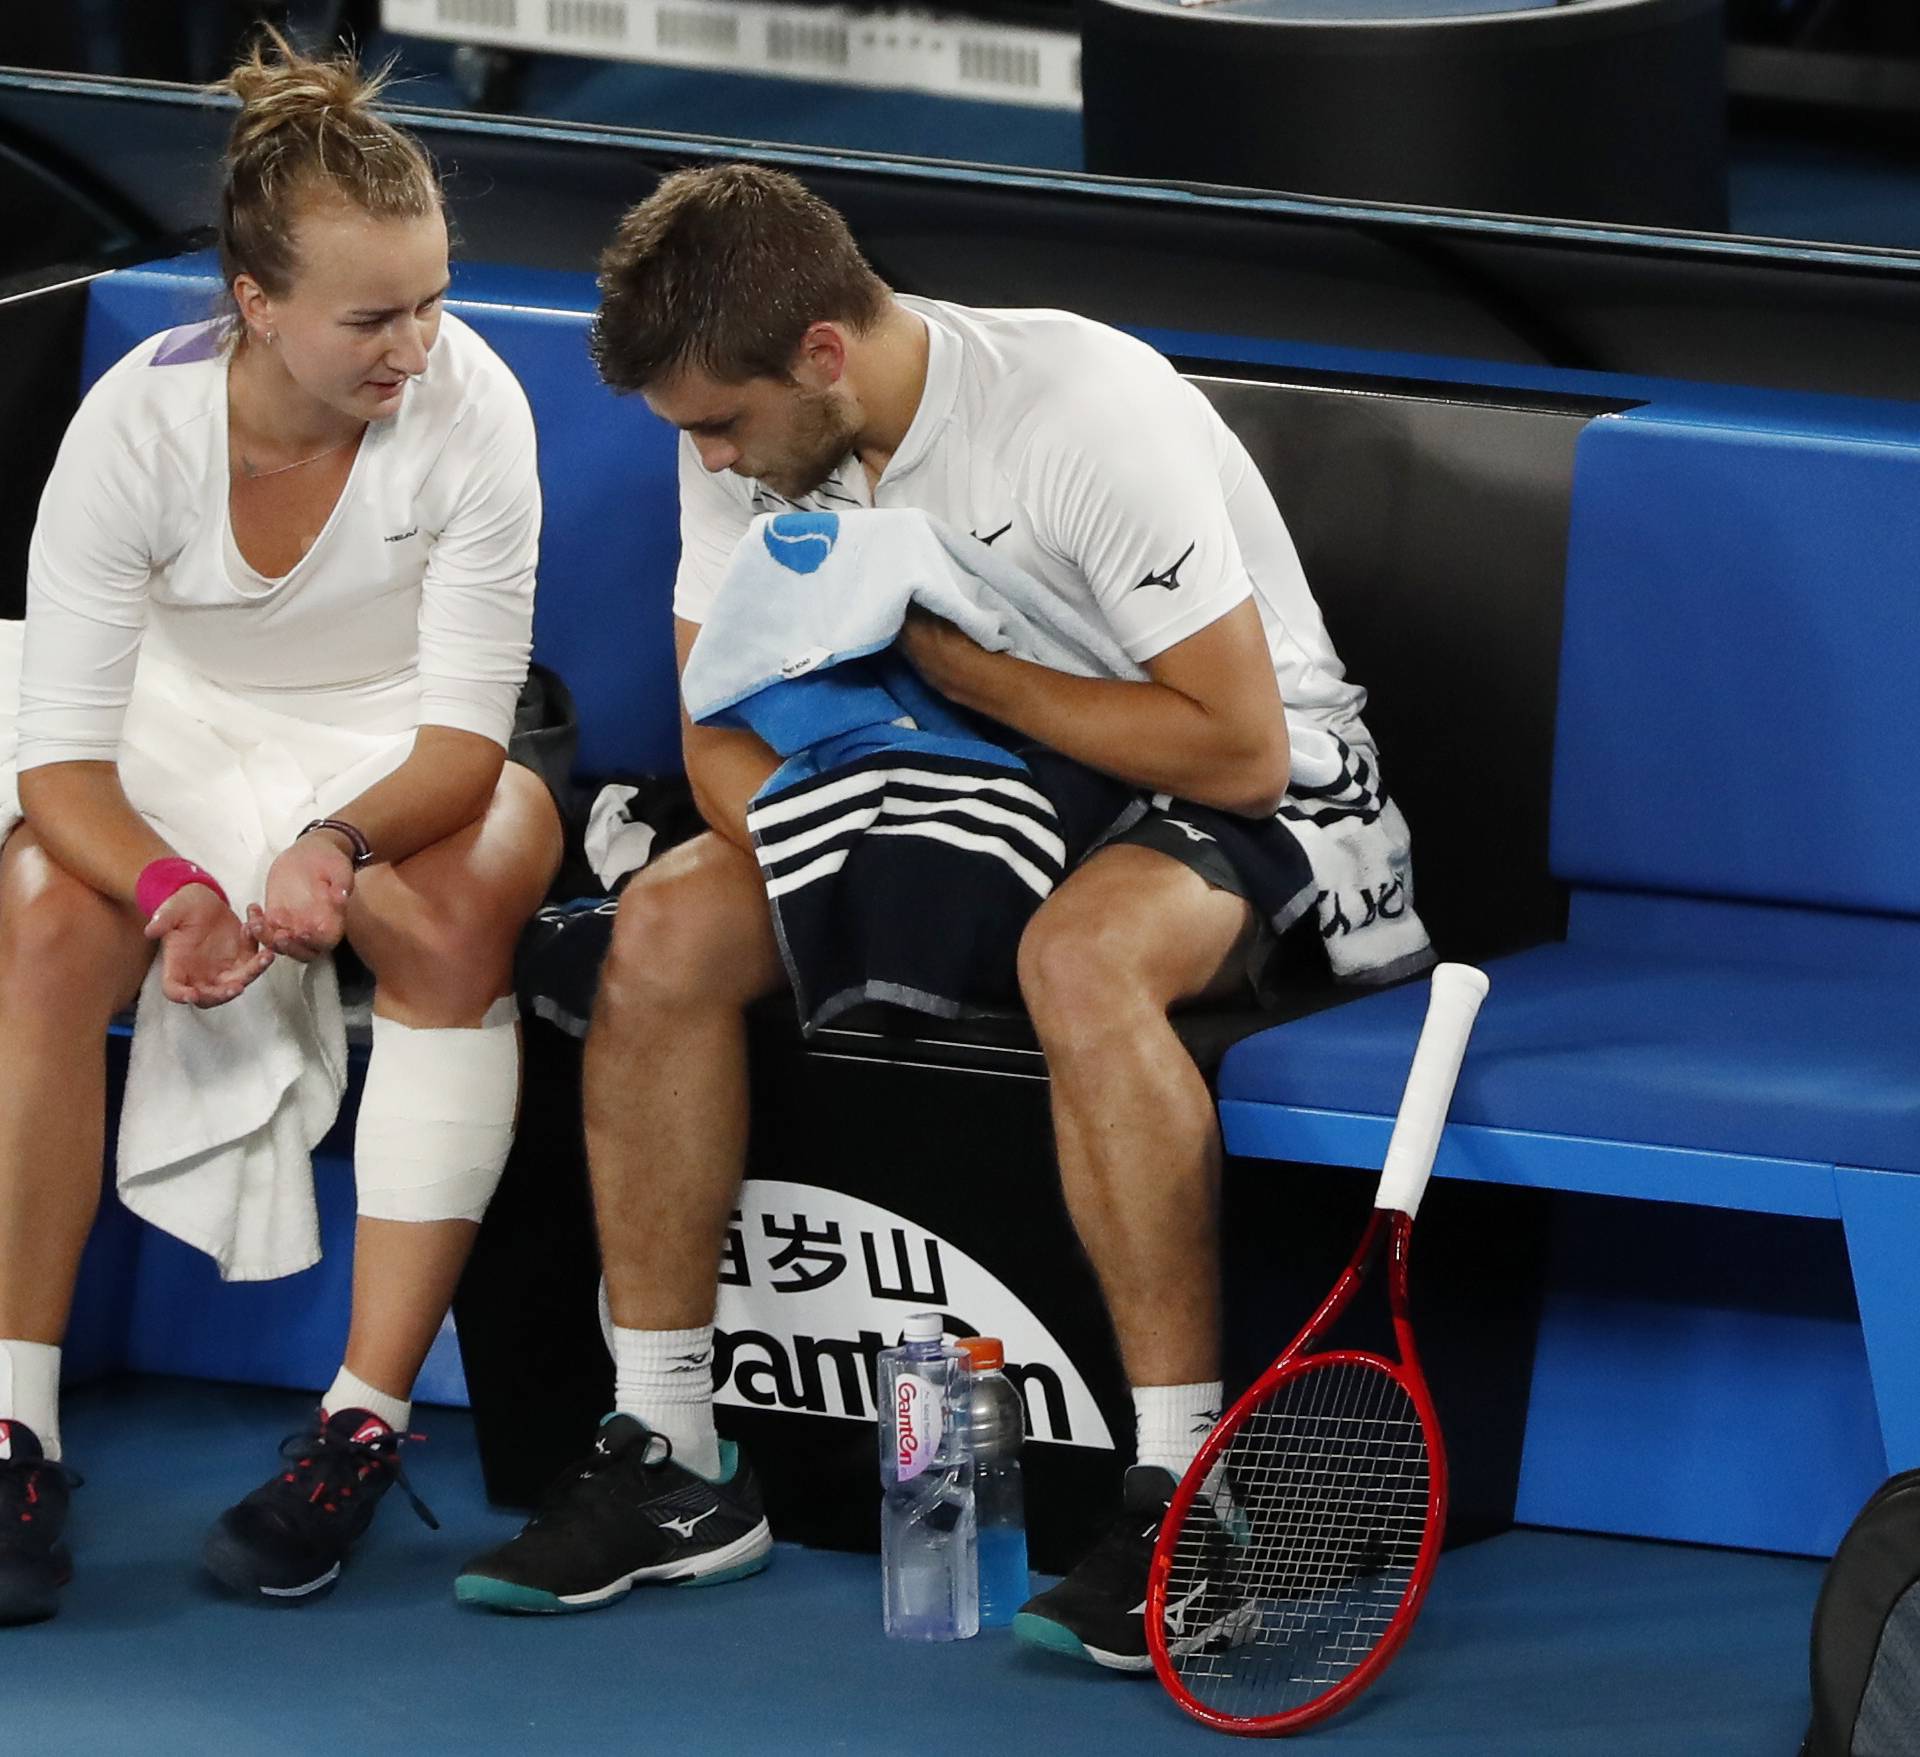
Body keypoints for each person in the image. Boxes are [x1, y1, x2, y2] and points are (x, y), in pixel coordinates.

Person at [455, 164, 1428, 1669]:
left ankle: (1183, 1490)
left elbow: (1237, 745)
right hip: (940, 767)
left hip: (1236, 772)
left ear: (823, 355)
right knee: (659, 932)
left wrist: (963, 685)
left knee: (1082, 960)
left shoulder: (1084, 413)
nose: (706, 455)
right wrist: (860, 833)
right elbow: (720, 734)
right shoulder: (748, 447)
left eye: (720, 422)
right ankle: (674, 1459)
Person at [0, 32, 561, 1625]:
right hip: (173, 729)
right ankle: (13, 1421)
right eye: (373, 317)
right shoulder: (131, 428)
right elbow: (62, 759)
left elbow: (462, 739)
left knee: (448, 926)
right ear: (254, 303)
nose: (418, 344)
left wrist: (332, 842)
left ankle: (360, 1423)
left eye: (434, 301)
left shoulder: (476, 409)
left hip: (396, 746)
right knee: (45, 912)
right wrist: (177, 890)